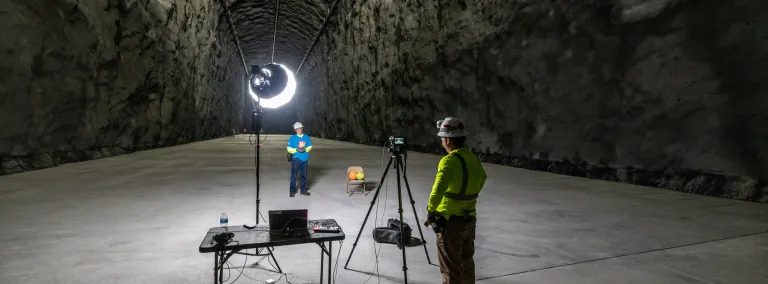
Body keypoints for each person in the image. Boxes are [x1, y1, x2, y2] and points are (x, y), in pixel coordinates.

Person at [425, 117, 487, 284]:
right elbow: (482, 178)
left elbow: (438, 189)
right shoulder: (471, 157)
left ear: (448, 140)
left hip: (450, 222)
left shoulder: (449, 161)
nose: (442, 143)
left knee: (450, 268)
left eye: (442, 139)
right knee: (467, 262)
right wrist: (467, 196)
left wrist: (431, 210)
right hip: (469, 219)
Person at [286, 122, 313, 197]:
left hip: (304, 159)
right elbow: (288, 148)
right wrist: (296, 150)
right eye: (297, 129)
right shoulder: (292, 138)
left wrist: (305, 149)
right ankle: (292, 191)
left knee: (303, 175)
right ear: (295, 130)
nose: (298, 130)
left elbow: (310, 146)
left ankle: (303, 190)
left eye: (300, 128)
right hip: (296, 159)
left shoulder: (306, 137)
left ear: (302, 128)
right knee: (294, 175)